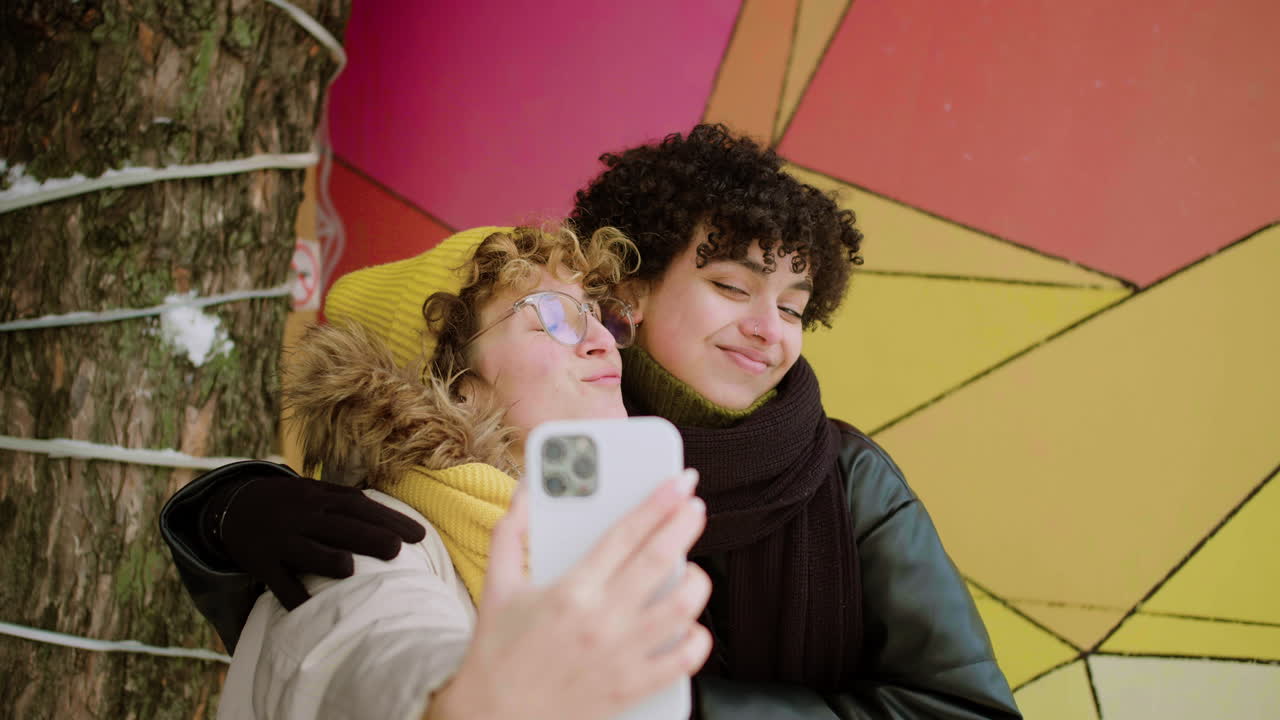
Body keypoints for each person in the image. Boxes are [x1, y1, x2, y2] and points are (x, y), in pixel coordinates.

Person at [162, 125, 1021, 718]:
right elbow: (364, 641)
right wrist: (233, 507)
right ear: (635, 296)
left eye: (797, 307)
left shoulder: (846, 478)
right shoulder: (534, 458)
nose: (770, 329)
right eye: (731, 286)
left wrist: (657, 701)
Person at [213, 224, 712, 719]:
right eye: (554, 317)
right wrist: (462, 701)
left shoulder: (587, 542)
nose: (603, 339)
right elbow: (365, 653)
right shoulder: (367, 537)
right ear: (454, 384)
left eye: (597, 314)